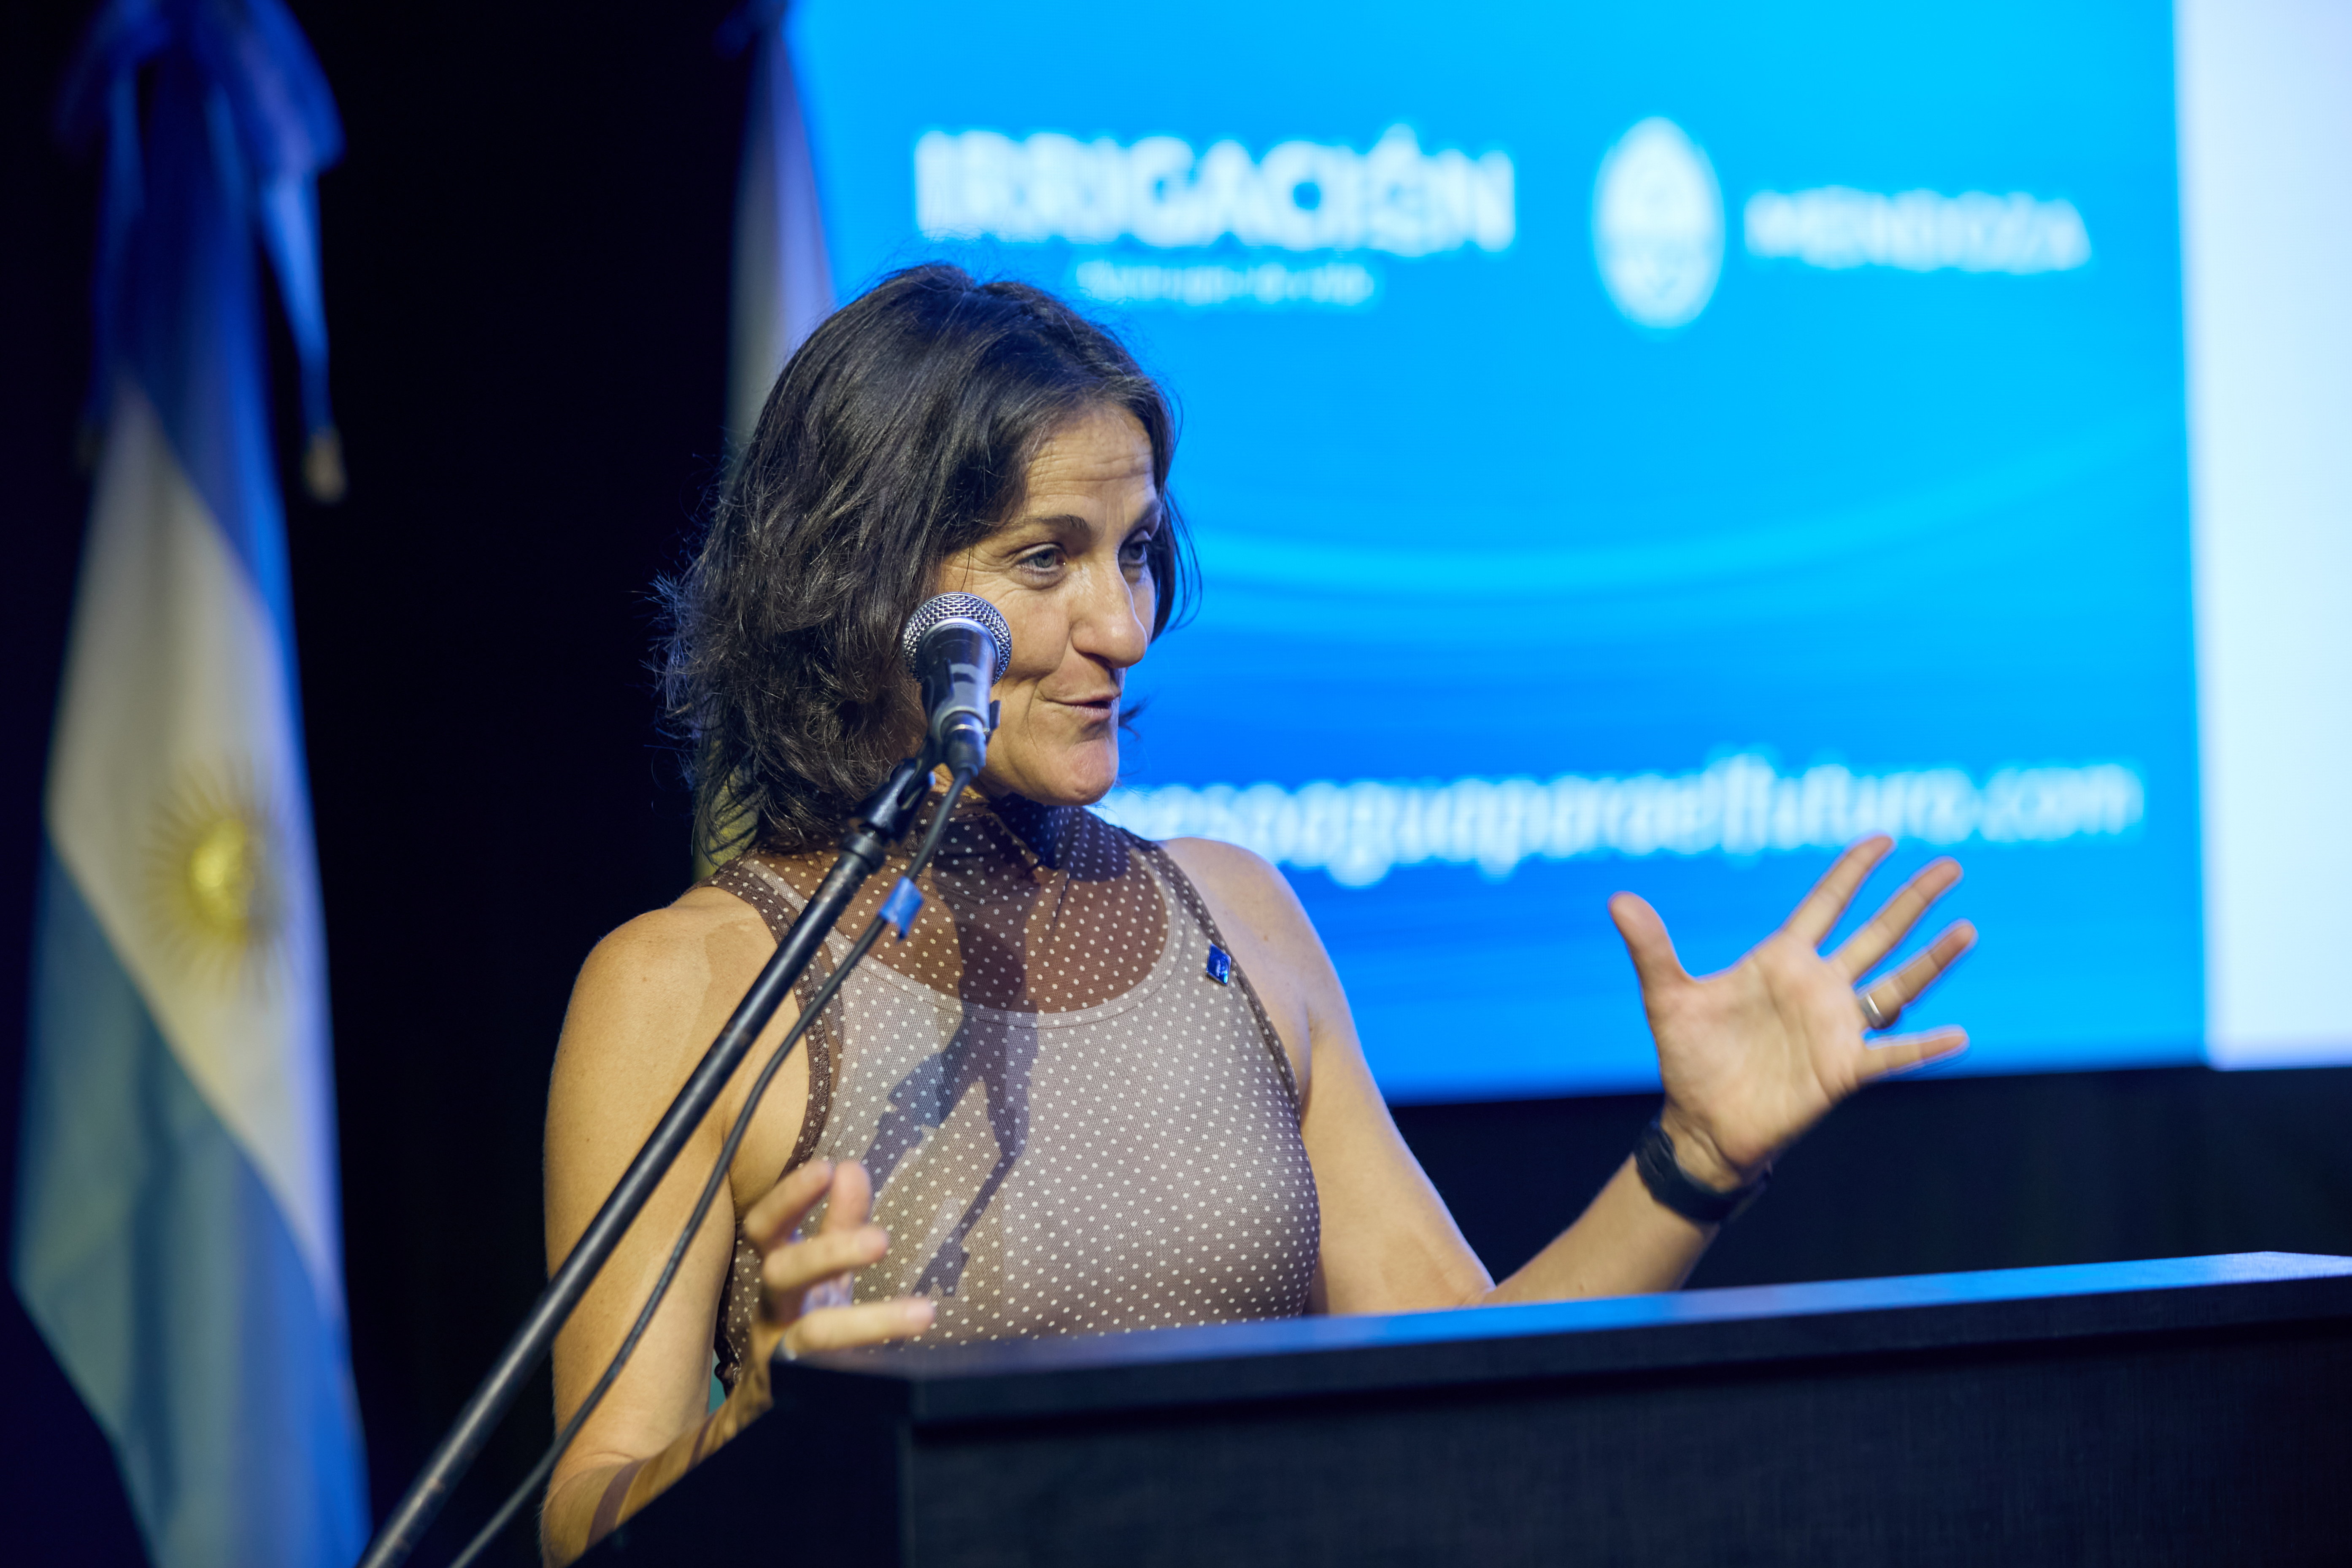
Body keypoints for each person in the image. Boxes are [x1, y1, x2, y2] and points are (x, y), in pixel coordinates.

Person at [537, 264, 1976, 1561]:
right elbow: (579, 1518)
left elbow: (1469, 1383)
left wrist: (1695, 1158)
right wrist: (754, 1436)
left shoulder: (1233, 914)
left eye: (1136, 550)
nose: (1123, 625)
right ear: (861, 577)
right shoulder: (689, 983)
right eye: (1045, 559)